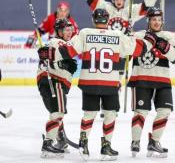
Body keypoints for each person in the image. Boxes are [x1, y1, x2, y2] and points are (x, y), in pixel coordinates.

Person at [39, 8, 158, 161]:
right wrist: (149, 39)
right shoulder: (118, 35)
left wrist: (48, 54)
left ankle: (83, 143)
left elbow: (67, 51)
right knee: (110, 114)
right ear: (108, 20)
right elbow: (139, 50)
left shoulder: (85, 33)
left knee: (89, 114)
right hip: (110, 83)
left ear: (94, 20)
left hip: (89, 82)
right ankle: (106, 147)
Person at [127, 7, 175, 158]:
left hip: (162, 81)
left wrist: (165, 47)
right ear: (148, 21)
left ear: (162, 21)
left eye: (159, 19)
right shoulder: (139, 35)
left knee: (165, 111)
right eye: (153, 19)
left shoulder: (168, 36)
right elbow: (124, 49)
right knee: (140, 112)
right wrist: (126, 35)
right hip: (141, 80)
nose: (156, 22)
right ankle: (135, 141)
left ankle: (154, 141)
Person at [37, 18, 77, 158]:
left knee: (56, 112)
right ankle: (48, 143)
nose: (69, 32)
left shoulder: (54, 42)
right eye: (66, 29)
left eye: (70, 29)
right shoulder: (58, 42)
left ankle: (60, 140)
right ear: (59, 31)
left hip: (46, 82)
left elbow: (47, 54)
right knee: (58, 112)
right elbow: (50, 53)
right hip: (55, 81)